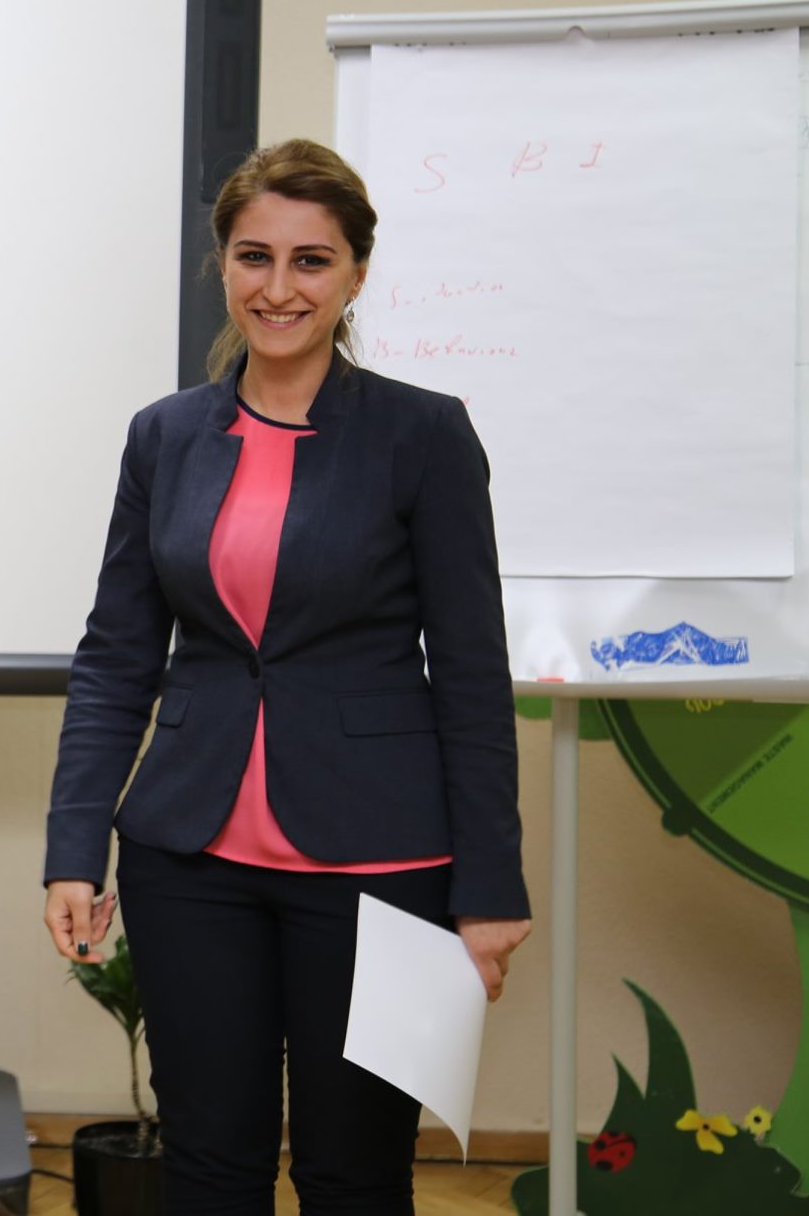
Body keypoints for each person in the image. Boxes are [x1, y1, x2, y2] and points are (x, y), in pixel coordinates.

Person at [41, 139, 531, 1214]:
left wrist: (490, 886)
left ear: (355, 273)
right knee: (209, 1168)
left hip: (380, 865)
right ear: (221, 263)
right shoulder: (164, 436)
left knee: (353, 1175)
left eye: (311, 260)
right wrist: (73, 845)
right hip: (187, 857)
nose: (278, 287)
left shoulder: (423, 434)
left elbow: (469, 673)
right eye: (253, 256)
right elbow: (116, 655)